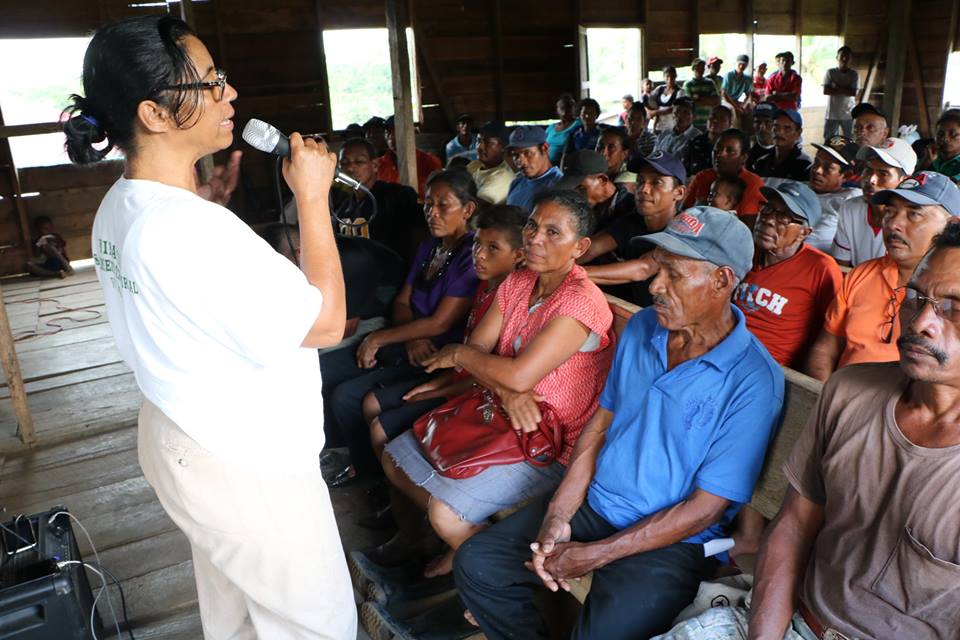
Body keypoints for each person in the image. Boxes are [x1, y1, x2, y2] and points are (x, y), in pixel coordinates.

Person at [68, 15, 355, 639]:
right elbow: (327, 322)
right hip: (245, 463)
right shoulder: (190, 232)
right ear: (154, 113)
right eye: (210, 83)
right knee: (319, 625)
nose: (228, 93)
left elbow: (190, 278)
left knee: (242, 619)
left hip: (183, 433)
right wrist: (312, 197)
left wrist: (214, 204)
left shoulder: (123, 205)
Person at [455, 206, 784, 640]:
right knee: (478, 564)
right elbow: (600, 425)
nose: (656, 286)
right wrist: (558, 515)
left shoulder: (753, 379)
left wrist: (596, 554)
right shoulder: (645, 327)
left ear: (722, 280)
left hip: (671, 542)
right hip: (597, 506)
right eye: (657, 269)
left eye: (674, 275)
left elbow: (704, 508)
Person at [658, 221, 960, 640]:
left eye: (954, 307)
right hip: (797, 621)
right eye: (916, 297)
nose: (922, 321)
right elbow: (795, 524)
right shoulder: (852, 390)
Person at [382, 189, 615, 578]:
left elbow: (506, 367)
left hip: (549, 442)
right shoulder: (520, 281)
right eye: (532, 225)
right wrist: (506, 390)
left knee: (444, 512)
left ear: (581, 247)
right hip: (500, 412)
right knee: (394, 460)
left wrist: (462, 357)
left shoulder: (580, 303)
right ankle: (474, 549)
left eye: (553, 232)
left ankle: (486, 573)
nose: (535, 238)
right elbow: (482, 347)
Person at [319, 170, 479, 484]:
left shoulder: (470, 256)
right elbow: (402, 303)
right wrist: (408, 338)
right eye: (428, 204)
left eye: (442, 205)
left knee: (346, 397)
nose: (432, 212)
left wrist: (379, 338)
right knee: (323, 371)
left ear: (468, 210)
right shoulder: (428, 248)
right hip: (408, 344)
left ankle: (370, 477)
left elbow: (440, 322)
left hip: (434, 356)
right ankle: (343, 452)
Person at [362, 205, 527, 483]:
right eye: (476, 244)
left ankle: (402, 504)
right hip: (456, 378)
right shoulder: (480, 286)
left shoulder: (508, 300)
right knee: (372, 404)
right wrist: (435, 385)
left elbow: (485, 374)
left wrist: (441, 390)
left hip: (475, 392)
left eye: (493, 248)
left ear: (518, 256)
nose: (480, 255)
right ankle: (387, 494)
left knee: (381, 428)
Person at [807, 171, 960, 381]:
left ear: (951, 226)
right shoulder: (862, 275)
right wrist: (825, 397)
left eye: (914, 213)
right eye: (890, 211)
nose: (893, 224)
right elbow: (825, 350)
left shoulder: (955, 293)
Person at [734, 182, 842, 368]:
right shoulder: (742, 250)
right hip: (719, 352)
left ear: (804, 233)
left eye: (784, 218)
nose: (768, 220)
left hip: (765, 369)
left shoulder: (820, 268)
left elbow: (832, 335)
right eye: (767, 209)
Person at [261, 224, 405, 341]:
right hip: (343, 306)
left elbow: (345, 330)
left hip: (382, 312)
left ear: (300, 253)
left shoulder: (352, 260)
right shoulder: (311, 258)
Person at [579, 152, 687, 306]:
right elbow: (591, 248)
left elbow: (643, 269)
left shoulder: (684, 229)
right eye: (641, 181)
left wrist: (571, 272)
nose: (644, 189)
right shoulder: (632, 220)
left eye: (656, 182)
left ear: (679, 193)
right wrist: (556, 263)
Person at [314, 138, 423, 263]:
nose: (351, 168)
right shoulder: (342, 207)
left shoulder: (398, 195)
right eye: (344, 162)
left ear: (375, 165)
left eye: (359, 162)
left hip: (391, 277)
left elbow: (420, 236)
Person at [832, 137, 917, 266]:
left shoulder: (914, 222)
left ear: (905, 180)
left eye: (883, 173)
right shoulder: (850, 208)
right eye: (868, 170)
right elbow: (841, 266)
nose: (871, 180)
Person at [683, 128, 766, 219]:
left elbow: (747, 226)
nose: (720, 154)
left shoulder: (753, 183)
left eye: (730, 151)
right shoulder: (702, 177)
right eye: (717, 148)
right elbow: (684, 213)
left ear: (743, 157)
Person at [803, 141, 862, 251]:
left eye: (828, 167)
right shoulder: (798, 190)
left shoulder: (851, 199)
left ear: (846, 175)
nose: (817, 170)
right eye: (816, 163)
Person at [558, 150, 636, 232]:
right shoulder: (587, 211)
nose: (575, 194)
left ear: (602, 180)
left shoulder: (630, 209)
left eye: (580, 188)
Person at [377, 115, 443, 199]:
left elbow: (438, 194)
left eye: (395, 130)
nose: (389, 135)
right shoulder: (379, 164)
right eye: (387, 131)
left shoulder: (429, 161)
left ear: (407, 132)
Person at [506, 125, 563, 212]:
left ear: (545, 148)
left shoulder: (559, 185)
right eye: (515, 155)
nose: (520, 161)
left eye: (527, 153)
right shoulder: (516, 183)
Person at [752, 109, 813, 181]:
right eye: (776, 126)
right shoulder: (761, 162)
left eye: (787, 128)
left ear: (798, 133)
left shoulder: (805, 164)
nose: (779, 132)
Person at [466, 121, 514, 206]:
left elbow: (473, 208)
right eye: (479, 141)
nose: (480, 147)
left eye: (488, 143)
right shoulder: (475, 165)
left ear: (503, 147)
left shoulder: (502, 177)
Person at [683, 104, 733, 176]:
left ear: (730, 125)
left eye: (722, 119)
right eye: (713, 117)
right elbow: (685, 169)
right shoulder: (695, 142)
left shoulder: (731, 147)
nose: (715, 120)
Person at [823, 46, 859, 140]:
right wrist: (846, 89)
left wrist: (836, 87)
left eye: (847, 57)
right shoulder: (830, 72)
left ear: (851, 59)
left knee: (850, 140)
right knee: (829, 140)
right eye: (842, 56)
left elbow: (853, 92)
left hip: (849, 113)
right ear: (837, 57)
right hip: (831, 114)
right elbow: (826, 91)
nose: (844, 59)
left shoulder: (854, 74)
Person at [684, 58, 721, 130]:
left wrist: (699, 98)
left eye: (702, 68)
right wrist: (708, 100)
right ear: (693, 68)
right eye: (699, 68)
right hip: (693, 120)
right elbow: (689, 104)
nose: (701, 70)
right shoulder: (688, 84)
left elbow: (716, 100)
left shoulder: (710, 83)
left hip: (708, 119)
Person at [597, 127, 638, 193]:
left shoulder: (627, 183)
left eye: (611, 148)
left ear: (625, 154)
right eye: (600, 146)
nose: (603, 153)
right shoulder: (592, 170)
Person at [545, 94, 582, 165]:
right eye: (562, 108)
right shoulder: (551, 128)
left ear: (574, 108)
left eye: (569, 107)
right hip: (547, 164)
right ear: (557, 110)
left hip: (565, 164)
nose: (565, 111)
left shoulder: (579, 125)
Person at [649, 66, 685, 133]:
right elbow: (649, 100)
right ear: (664, 77)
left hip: (671, 126)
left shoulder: (680, 92)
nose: (670, 79)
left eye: (672, 76)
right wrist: (649, 111)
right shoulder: (659, 89)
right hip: (658, 127)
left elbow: (674, 108)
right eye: (667, 76)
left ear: (676, 76)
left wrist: (655, 112)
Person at [722, 54, 754, 127]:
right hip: (726, 101)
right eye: (740, 64)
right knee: (732, 110)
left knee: (750, 109)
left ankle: (748, 133)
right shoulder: (729, 75)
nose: (741, 66)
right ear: (736, 64)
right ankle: (734, 132)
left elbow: (748, 95)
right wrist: (736, 106)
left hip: (737, 101)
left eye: (744, 65)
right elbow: (724, 94)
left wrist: (743, 105)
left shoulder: (747, 78)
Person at [746, 102, 777, 170]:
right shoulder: (746, 152)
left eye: (767, 122)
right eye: (757, 122)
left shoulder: (785, 151)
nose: (762, 127)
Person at [932, 108, 960, 182]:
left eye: (953, 134)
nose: (945, 139)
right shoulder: (930, 157)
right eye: (940, 134)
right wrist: (926, 161)